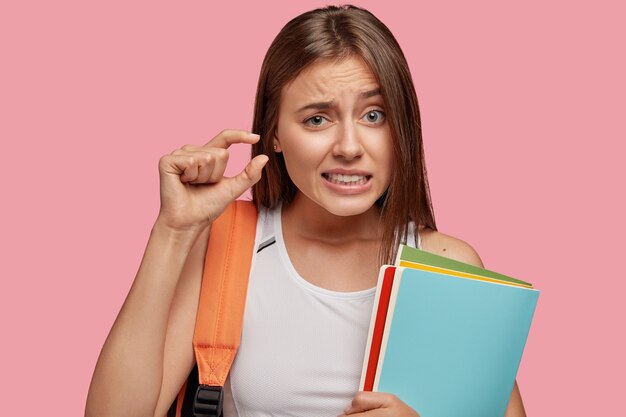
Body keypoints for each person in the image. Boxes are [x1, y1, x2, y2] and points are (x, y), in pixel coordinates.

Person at [86, 5, 526, 417]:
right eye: (318, 119)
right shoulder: (226, 245)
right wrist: (174, 230)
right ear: (274, 133)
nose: (350, 147)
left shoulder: (447, 268)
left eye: (374, 115)